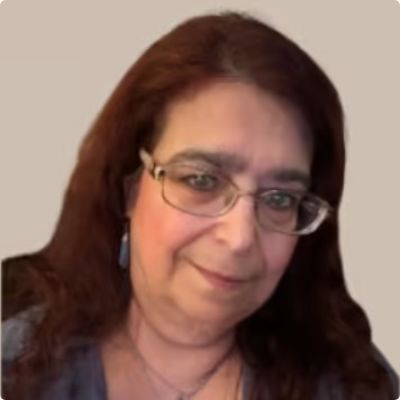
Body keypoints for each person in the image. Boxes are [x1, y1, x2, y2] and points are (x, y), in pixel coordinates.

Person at [1, 11, 398, 400]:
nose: (240, 238)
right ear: (130, 189)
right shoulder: (15, 369)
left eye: (280, 199)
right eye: (202, 180)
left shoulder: (356, 387)